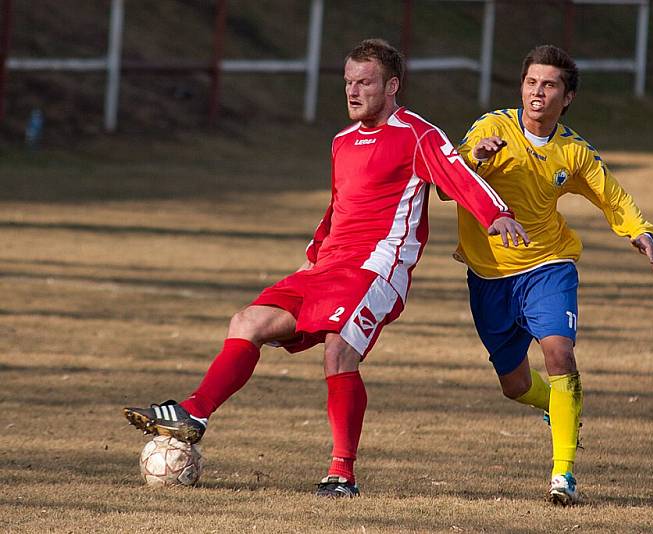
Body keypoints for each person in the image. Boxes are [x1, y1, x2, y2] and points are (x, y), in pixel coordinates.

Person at [123, 38, 528, 498]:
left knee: (338, 351)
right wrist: (311, 259)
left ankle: (341, 474)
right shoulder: (342, 142)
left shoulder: (417, 134)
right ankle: (195, 413)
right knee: (247, 322)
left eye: (365, 83)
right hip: (327, 267)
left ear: (392, 85)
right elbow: (338, 209)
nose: (353, 92)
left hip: (377, 268)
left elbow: (458, 175)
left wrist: (496, 214)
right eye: (348, 83)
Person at [450, 44, 653, 505]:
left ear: (568, 97)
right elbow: (450, 181)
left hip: (548, 265)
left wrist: (639, 230)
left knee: (560, 355)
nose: (537, 93)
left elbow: (612, 195)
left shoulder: (573, 151)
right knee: (516, 386)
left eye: (549, 85)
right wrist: (477, 158)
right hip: (489, 274)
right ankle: (557, 406)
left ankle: (563, 476)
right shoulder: (492, 128)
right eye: (530, 83)